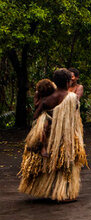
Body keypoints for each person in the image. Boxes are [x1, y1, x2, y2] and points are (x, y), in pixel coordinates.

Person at [19, 69, 87, 202]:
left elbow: (35, 115)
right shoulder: (71, 98)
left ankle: (51, 190)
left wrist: (47, 120)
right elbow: (73, 113)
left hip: (49, 135)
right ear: (68, 82)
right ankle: (62, 193)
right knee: (65, 163)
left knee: (49, 162)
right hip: (65, 137)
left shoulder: (47, 98)